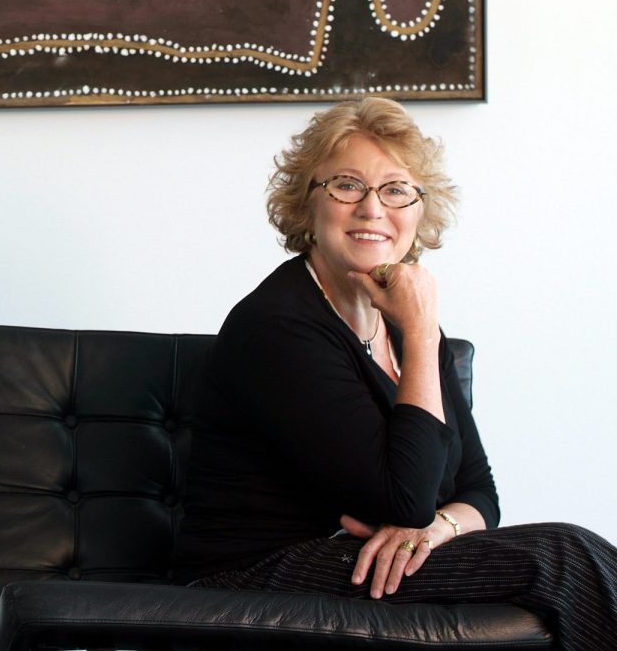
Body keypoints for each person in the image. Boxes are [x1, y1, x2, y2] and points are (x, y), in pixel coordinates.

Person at [173, 97, 617, 649]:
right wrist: (426, 332)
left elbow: (480, 492)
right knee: (564, 558)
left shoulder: (407, 321)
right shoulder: (277, 324)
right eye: (346, 185)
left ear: (419, 210)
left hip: (357, 561)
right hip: (249, 583)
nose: (372, 208)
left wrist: (435, 530)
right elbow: (402, 500)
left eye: (395, 189)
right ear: (306, 205)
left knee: (564, 562)